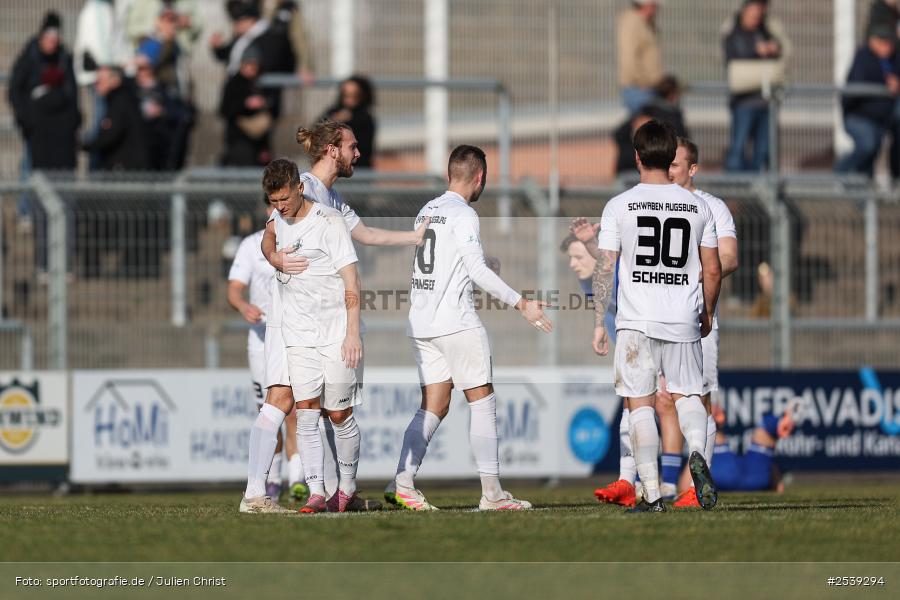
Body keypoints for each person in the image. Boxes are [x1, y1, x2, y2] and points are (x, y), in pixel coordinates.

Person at [259, 119, 429, 512]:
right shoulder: (302, 187)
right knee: (294, 404)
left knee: (333, 410)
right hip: (296, 320)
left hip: (331, 320)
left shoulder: (330, 200)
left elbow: (365, 234)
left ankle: (340, 493)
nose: (358, 152)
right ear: (333, 149)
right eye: (352, 145)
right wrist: (274, 258)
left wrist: (414, 237)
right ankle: (276, 489)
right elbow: (269, 230)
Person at [385, 145, 552, 511]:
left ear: (449, 175)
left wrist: (481, 263)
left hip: (422, 323)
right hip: (455, 322)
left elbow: (447, 261)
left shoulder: (427, 209)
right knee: (482, 402)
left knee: (435, 404)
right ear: (480, 178)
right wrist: (522, 303)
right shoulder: (464, 213)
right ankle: (492, 495)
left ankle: (402, 481)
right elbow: (474, 271)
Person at [591, 119, 722, 512]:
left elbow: (605, 267)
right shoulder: (698, 206)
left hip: (635, 322)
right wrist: (708, 312)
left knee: (640, 405)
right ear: (671, 158)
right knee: (687, 397)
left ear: (636, 157)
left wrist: (599, 320)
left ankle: (650, 490)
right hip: (683, 316)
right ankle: (697, 451)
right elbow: (712, 269)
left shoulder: (619, 205)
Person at [668, 137, 740, 508]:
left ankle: (698, 488)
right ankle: (655, 485)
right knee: (652, 398)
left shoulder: (712, 207)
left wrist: (699, 273)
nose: (669, 170)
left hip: (698, 317)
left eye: (676, 165)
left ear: (692, 169)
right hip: (657, 316)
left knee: (700, 396)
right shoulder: (656, 203)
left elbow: (729, 257)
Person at [228, 193, 307, 504]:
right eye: (273, 204)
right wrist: (243, 306)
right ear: (266, 207)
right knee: (268, 410)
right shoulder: (251, 245)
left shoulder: (301, 237)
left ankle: (298, 477)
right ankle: (271, 479)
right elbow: (234, 288)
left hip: (294, 335)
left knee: (297, 411)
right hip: (262, 341)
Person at [8, 11, 81, 172]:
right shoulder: (29, 57)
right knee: (32, 168)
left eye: (55, 38)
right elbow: (15, 89)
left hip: (59, 128)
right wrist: (25, 117)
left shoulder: (63, 58)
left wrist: (73, 119)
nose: (52, 43)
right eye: (49, 38)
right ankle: (26, 198)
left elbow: (72, 92)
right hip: (35, 126)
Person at [723, 0, 789, 172]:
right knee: (738, 149)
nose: (756, 16)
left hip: (765, 102)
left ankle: (754, 194)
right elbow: (732, 56)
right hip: (744, 102)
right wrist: (756, 50)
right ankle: (734, 192)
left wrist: (775, 48)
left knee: (763, 151)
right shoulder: (734, 32)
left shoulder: (767, 31)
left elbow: (784, 50)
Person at [677, 403, 796, 494]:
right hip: (756, 479)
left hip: (723, 475)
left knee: (709, 437)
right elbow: (779, 488)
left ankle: (708, 419)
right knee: (762, 435)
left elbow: (684, 486)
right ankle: (780, 423)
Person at [835, 26, 900, 176]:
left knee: (872, 154)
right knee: (867, 145)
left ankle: (864, 192)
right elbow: (860, 81)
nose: (888, 46)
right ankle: (840, 171)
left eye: (890, 42)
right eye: (884, 42)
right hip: (859, 116)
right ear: (873, 41)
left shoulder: (894, 58)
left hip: (880, 119)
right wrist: (886, 83)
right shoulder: (864, 57)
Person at [82, 66, 149, 171]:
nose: (96, 84)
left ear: (114, 81)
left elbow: (111, 134)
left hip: (124, 168)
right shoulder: (118, 100)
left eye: (100, 80)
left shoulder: (120, 102)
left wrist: (87, 146)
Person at [219, 48, 273, 166]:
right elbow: (224, 110)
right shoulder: (234, 83)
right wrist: (245, 104)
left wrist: (265, 148)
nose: (252, 68)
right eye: (249, 64)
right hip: (239, 139)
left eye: (255, 65)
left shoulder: (257, 83)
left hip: (258, 141)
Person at [617, 1, 663, 115]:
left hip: (648, 87)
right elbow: (629, 58)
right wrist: (641, 82)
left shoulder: (647, 23)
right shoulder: (632, 23)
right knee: (644, 128)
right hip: (639, 88)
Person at [320, 75, 377, 168]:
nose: (349, 99)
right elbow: (317, 131)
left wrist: (349, 121)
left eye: (354, 95)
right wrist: (333, 121)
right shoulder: (333, 113)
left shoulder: (365, 118)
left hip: (358, 170)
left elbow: (363, 147)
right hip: (333, 169)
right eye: (346, 94)